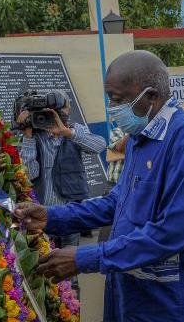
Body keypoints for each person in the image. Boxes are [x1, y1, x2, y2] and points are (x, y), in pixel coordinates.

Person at [14, 50, 184, 321]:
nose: (112, 109)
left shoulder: (183, 137)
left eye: (117, 99)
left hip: (174, 303)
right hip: (135, 295)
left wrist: (84, 258)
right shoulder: (141, 135)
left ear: (150, 96)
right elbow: (118, 202)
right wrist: (52, 217)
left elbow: (173, 231)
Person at [18, 90, 107, 293]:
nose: (55, 117)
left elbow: (99, 146)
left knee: (69, 269)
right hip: (42, 213)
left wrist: (68, 133)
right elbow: (28, 173)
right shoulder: (35, 135)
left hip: (71, 212)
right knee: (42, 265)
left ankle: (72, 304)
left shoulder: (75, 130)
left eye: (61, 111)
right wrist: (28, 136)